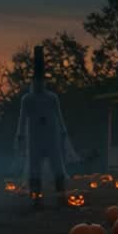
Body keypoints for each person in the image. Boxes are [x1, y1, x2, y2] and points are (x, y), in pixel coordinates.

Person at [15, 45, 70, 207]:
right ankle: (36, 198)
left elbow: (59, 115)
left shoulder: (52, 97)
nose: (39, 83)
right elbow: (22, 117)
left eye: (41, 81)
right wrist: (20, 134)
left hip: (51, 134)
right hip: (34, 136)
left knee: (57, 163)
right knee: (34, 165)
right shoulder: (27, 99)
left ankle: (61, 196)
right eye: (36, 81)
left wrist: (63, 130)